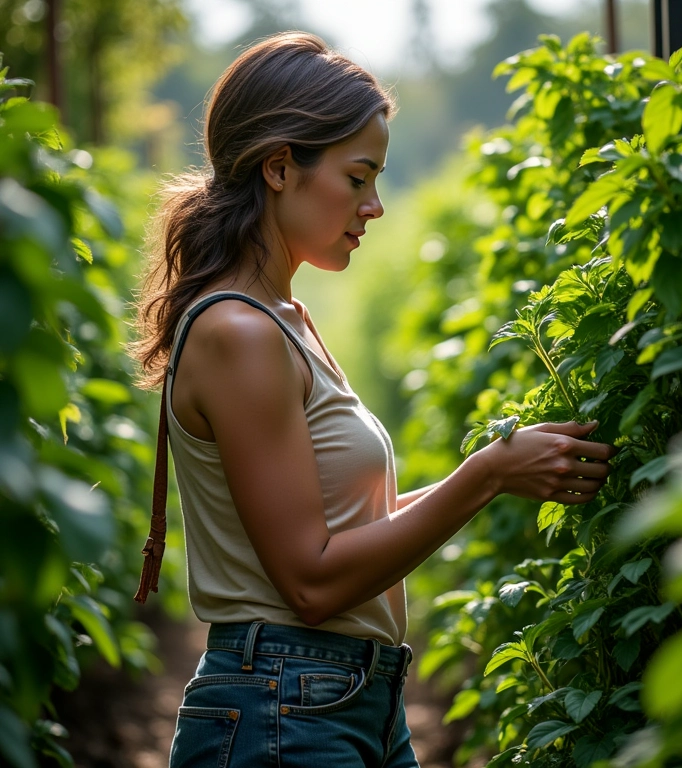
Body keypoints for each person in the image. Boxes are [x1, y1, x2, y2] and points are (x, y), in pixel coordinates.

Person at [132, 31, 615, 768]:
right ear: (279, 168)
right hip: (284, 710)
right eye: (358, 178)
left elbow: (348, 525)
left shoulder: (285, 320)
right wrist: (484, 475)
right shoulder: (240, 333)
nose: (375, 206)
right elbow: (311, 581)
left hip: (341, 701)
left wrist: (505, 473)